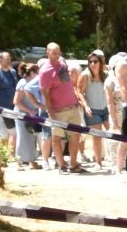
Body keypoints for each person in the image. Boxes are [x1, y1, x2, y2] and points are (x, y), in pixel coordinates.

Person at [38, 44, 82, 172]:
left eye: (58, 53)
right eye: (54, 53)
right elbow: (45, 93)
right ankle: (61, 165)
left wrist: (75, 97)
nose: (57, 56)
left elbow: (67, 84)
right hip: (58, 110)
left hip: (72, 107)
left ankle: (73, 164)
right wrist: (50, 112)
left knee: (75, 136)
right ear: (48, 53)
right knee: (57, 138)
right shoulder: (45, 71)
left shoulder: (62, 62)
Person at [77, 52, 109, 170]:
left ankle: (116, 160)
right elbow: (79, 92)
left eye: (95, 61)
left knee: (113, 134)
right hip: (93, 110)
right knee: (97, 137)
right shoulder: (85, 75)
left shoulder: (106, 75)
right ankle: (98, 162)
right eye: (90, 62)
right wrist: (86, 106)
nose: (93, 64)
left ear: (100, 62)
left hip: (106, 109)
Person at [12, 62, 45, 169]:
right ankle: (19, 161)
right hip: (22, 114)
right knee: (22, 137)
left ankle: (32, 161)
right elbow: (16, 101)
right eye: (37, 72)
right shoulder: (22, 83)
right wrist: (29, 111)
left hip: (33, 114)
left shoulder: (35, 83)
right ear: (31, 73)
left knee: (32, 138)